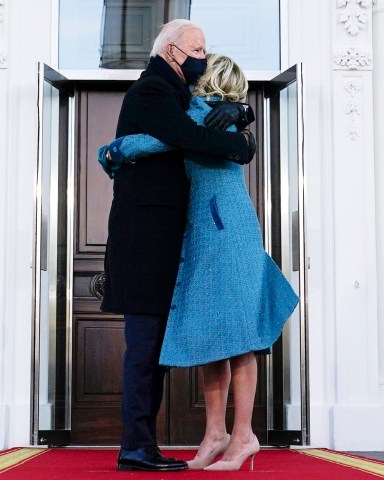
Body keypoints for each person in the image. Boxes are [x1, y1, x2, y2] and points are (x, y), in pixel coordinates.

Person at [99, 53, 299, 472]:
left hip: (226, 233)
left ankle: (243, 436)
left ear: (207, 82)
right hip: (213, 232)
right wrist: (243, 114)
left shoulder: (202, 114)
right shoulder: (217, 115)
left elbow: (159, 140)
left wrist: (113, 149)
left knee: (240, 337)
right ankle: (215, 434)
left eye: (199, 71)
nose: (190, 73)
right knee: (215, 336)